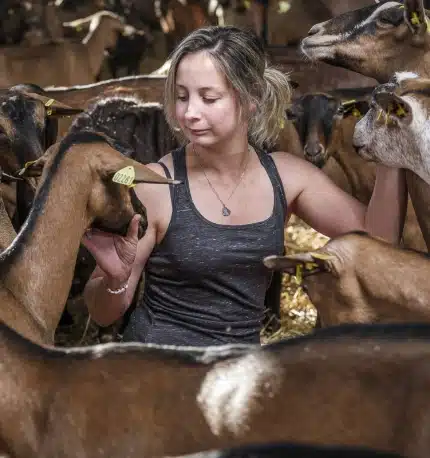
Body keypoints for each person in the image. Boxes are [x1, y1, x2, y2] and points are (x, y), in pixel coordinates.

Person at [82, 26, 407, 346]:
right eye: (182, 97)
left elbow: (378, 240)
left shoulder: (287, 177)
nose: (189, 113)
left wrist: (391, 154)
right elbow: (104, 314)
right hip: (160, 375)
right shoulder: (156, 185)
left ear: (251, 99)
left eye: (208, 97)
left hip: (239, 379)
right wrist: (115, 280)